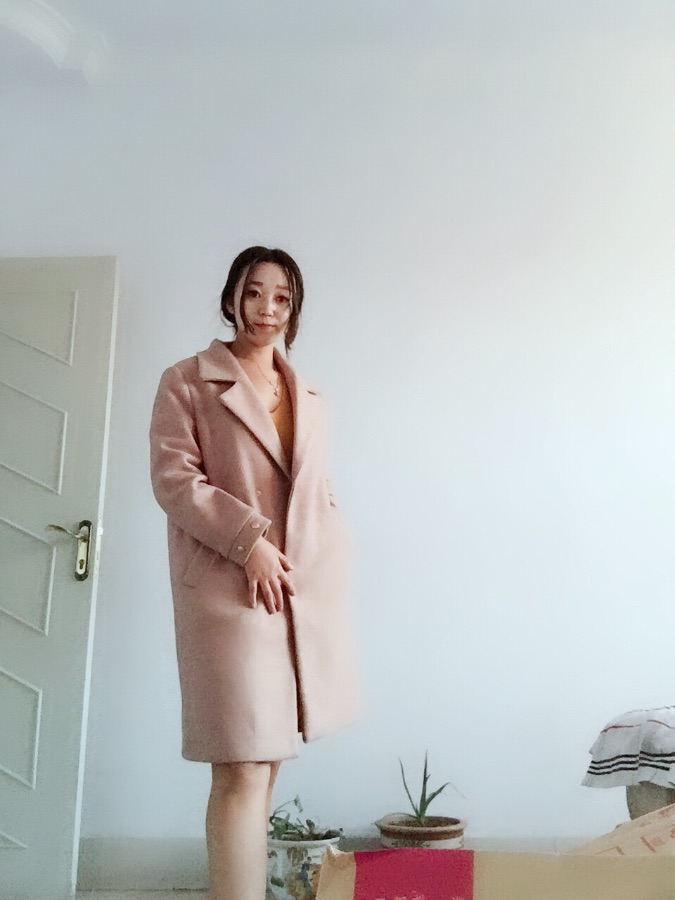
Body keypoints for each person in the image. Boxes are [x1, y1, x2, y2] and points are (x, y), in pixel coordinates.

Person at [149, 246, 358, 900]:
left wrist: (330, 552)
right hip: (229, 593)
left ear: (294, 310)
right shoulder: (188, 381)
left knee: (266, 765)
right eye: (254, 292)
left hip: (299, 592)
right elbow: (175, 481)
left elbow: (317, 491)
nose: (267, 308)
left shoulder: (310, 395)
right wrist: (250, 543)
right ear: (231, 298)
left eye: (282, 298)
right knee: (239, 767)